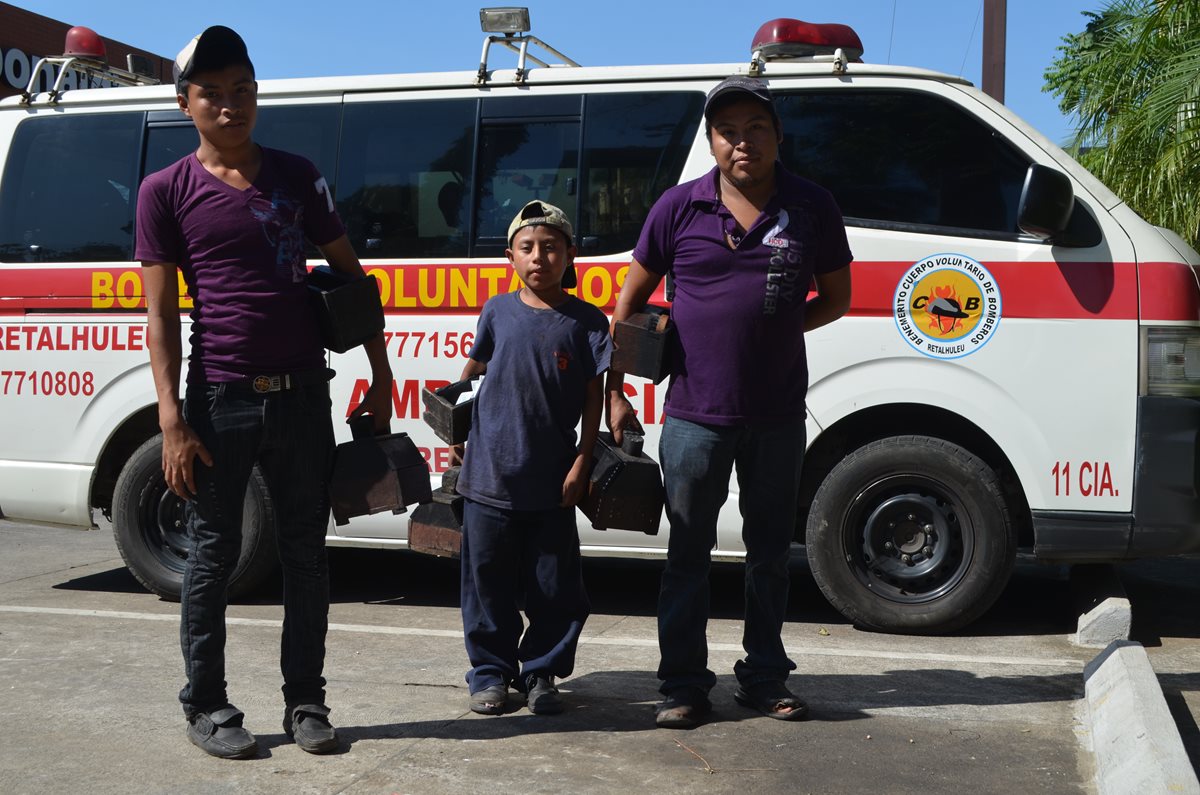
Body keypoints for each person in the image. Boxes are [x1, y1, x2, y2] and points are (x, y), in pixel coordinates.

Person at [135, 26, 393, 759]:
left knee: (306, 553)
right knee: (215, 553)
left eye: (242, 89)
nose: (231, 104)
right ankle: (208, 704)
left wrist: (380, 371)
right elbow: (158, 316)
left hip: (305, 392)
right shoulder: (167, 192)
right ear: (186, 103)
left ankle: (306, 700)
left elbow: (352, 280)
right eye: (212, 93)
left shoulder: (297, 175)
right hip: (221, 396)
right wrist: (172, 420)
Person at [606, 75, 853, 729]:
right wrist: (616, 393)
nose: (742, 142)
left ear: (776, 136)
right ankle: (683, 684)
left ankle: (764, 677)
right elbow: (627, 307)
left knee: (769, 554)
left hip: (776, 415)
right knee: (686, 553)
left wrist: (772, 330)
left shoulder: (811, 206)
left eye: (755, 129)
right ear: (712, 140)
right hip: (693, 415)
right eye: (728, 131)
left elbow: (836, 297)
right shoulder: (678, 208)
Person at [452, 200, 611, 716]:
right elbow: (471, 372)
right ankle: (491, 674)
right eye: (527, 248)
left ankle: (540, 672)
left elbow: (594, 399)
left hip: (552, 478)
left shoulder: (587, 322)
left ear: (570, 256)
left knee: (554, 586)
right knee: (487, 584)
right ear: (510, 257)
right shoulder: (497, 310)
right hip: (488, 475)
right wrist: (449, 409)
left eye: (550, 247)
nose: (539, 257)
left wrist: (582, 462)